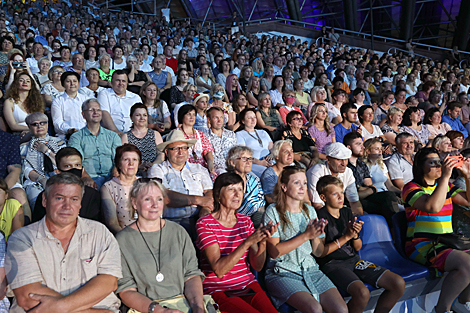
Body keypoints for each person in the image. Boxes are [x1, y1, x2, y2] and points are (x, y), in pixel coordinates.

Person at [5, 173, 122, 313]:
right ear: (44, 200)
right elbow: (28, 297)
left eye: (74, 199)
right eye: (59, 198)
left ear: (80, 204)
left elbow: (109, 282)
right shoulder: (22, 239)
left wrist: (61, 307)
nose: (67, 206)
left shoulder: (100, 233)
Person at [263, 166, 348, 313]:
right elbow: (274, 252)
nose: (302, 187)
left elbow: (318, 252)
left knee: (341, 310)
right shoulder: (273, 211)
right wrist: (305, 236)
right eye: (297, 183)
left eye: (304, 182)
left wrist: (316, 237)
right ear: (284, 187)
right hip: (283, 272)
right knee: (314, 309)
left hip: (310, 269)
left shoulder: (310, 210)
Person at [315, 175, 405, 313]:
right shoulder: (320, 217)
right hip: (332, 264)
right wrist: (346, 237)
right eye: (335, 194)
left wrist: (355, 235)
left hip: (354, 260)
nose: (340, 197)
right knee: (362, 293)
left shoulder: (346, 212)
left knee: (397, 283)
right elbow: (321, 252)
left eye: (341, 193)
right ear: (323, 197)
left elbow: (357, 247)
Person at [116, 178, 206, 313]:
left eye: (159, 199)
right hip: (146, 309)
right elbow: (126, 291)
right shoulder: (122, 240)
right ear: (135, 203)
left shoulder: (178, 232)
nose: (155, 205)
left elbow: (191, 275)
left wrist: (198, 307)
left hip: (183, 304)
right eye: (147, 199)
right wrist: (160, 311)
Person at [196, 172, 278, 313]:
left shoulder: (245, 221)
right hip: (218, 289)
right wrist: (246, 243)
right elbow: (219, 270)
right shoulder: (205, 223)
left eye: (240, 189)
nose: (237, 194)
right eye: (231, 190)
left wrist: (263, 241)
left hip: (247, 284)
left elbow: (257, 266)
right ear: (217, 195)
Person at [402, 148, 470, 313]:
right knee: (466, 264)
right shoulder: (410, 188)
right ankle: (441, 309)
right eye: (433, 162)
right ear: (420, 166)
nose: (439, 166)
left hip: (447, 242)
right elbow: (432, 206)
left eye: (440, 162)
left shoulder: (446, 186)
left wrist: (468, 176)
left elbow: (468, 201)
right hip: (421, 244)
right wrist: (445, 176)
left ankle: (462, 302)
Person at [149, 130, 213, 236]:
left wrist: (205, 208)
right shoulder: (157, 169)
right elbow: (163, 197)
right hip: (170, 223)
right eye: (175, 149)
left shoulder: (199, 169)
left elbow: (209, 193)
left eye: (184, 148)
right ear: (166, 152)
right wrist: (200, 200)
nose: (181, 152)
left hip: (199, 219)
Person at [32, 147, 104, 223]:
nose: (74, 169)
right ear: (58, 171)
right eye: (67, 166)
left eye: (77, 165)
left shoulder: (92, 195)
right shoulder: (47, 195)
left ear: (82, 169)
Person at [344, 132, 400, 226]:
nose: (362, 147)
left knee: (389, 201)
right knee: (388, 199)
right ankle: (395, 231)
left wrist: (365, 189)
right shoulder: (345, 166)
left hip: (367, 198)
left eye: (362, 144)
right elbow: (352, 192)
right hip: (354, 202)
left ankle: (394, 231)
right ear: (348, 147)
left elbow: (371, 187)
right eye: (358, 144)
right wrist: (367, 189)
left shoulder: (361, 165)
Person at [68, 98, 122, 188]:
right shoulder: (76, 137)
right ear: (83, 115)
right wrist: (85, 177)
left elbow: (119, 159)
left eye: (98, 110)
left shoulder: (113, 136)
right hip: (89, 178)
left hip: (111, 176)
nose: (95, 112)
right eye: (91, 110)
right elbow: (76, 162)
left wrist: (114, 176)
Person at [20, 113, 65, 208]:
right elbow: (26, 169)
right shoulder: (24, 148)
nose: (39, 126)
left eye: (42, 123)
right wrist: (41, 179)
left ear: (47, 124)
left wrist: (46, 151)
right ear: (29, 127)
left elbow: (63, 163)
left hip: (59, 178)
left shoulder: (59, 142)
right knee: (37, 202)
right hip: (35, 182)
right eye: (35, 124)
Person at [307, 142, 363, 214]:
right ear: (328, 160)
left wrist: (357, 219)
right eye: (339, 160)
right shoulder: (316, 172)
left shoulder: (348, 172)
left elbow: (354, 201)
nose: (343, 163)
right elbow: (317, 205)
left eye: (346, 159)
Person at [226, 146, 266, 227]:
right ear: (232, 163)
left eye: (250, 159)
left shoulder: (255, 179)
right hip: (234, 221)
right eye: (244, 159)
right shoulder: (226, 181)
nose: (248, 162)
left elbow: (261, 204)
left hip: (255, 219)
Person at [121, 103, 164, 174]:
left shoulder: (155, 134)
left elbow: (161, 155)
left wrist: (152, 165)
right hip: (133, 173)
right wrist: (138, 166)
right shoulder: (125, 137)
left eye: (144, 115)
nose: (142, 118)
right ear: (131, 117)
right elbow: (123, 159)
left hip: (154, 171)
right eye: (138, 115)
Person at [98, 70, 143, 136]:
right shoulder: (104, 94)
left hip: (133, 134)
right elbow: (104, 114)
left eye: (123, 81)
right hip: (110, 134)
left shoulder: (135, 97)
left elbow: (141, 117)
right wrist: (116, 132)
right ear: (112, 82)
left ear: (127, 83)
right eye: (118, 80)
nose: (121, 83)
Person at [3, 72, 44, 138]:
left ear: (31, 86)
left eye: (28, 81)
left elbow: (42, 121)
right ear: (16, 84)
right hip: (19, 134)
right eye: (21, 80)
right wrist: (31, 129)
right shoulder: (9, 102)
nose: (25, 82)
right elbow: (13, 126)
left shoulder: (37, 102)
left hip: (37, 132)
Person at [177, 104, 215, 174]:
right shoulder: (176, 133)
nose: (192, 117)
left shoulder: (200, 134)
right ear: (182, 116)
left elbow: (208, 151)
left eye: (194, 115)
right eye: (189, 114)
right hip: (184, 169)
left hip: (201, 169)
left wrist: (210, 163)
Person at [236, 108, 273, 177]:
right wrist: (259, 162)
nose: (253, 120)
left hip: (269, 160)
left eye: (254, 117)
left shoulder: (263, 132)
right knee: (268, 173)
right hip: (253, 163)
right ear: (243, 121)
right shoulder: (239, 134)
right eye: (249, 118)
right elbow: (243, 154)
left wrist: (272, 155)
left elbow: (271, 147)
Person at [51, 71, 87, 139]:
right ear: (63, 84)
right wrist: (69, 130)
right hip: (66, 136)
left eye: (74, 81)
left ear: (78, 83)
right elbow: (57, 123)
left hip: (86, 135)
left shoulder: (86, 99)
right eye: (68, 81)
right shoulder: (57, 101)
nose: (72, 84)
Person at [204, 107, 238, 176]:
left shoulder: (231, 134)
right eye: (216, 118)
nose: (219, 121)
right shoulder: (205, 137)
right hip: (216, 170)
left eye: (221, 117)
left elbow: (236, 153)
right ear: (209, 119)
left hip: (233, 167)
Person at [260, 140, 295, 204]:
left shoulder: (295, 170)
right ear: (277, 156)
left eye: (291, 151)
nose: (290, 154)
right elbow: (271, 199)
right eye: (286, 152)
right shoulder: (269, 175)